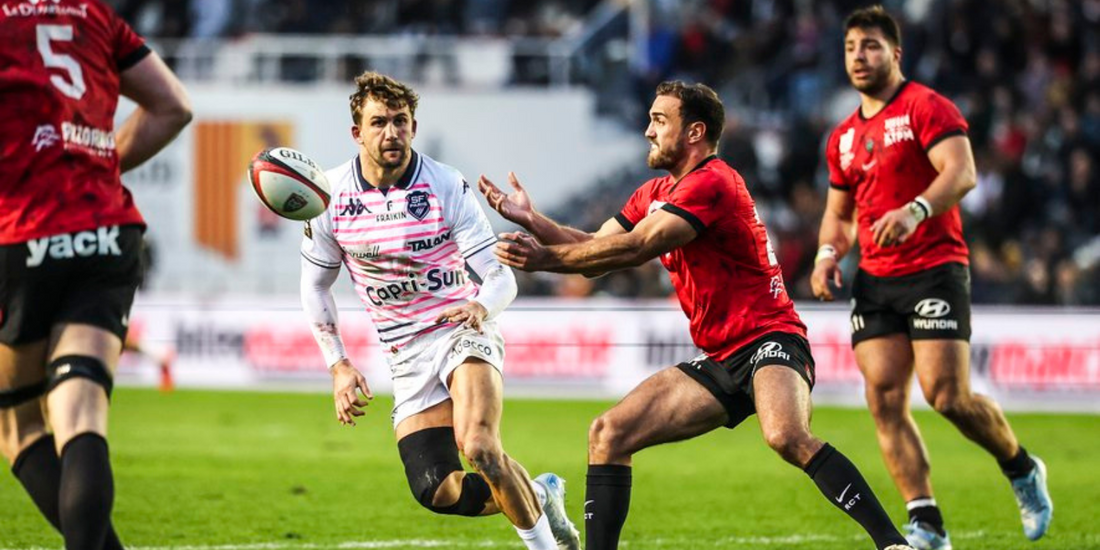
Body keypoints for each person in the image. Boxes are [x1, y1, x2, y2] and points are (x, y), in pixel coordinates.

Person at [480, 80, 915, 550]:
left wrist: (544, 259)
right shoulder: (654, 193)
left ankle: (893, 544)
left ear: (695, 132)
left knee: (785, 434)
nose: (648, 130)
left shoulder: (713, 182)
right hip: (722, 356)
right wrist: (533, 220)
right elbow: (594, 248)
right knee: (608, 433)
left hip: (771, 338)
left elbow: (638, 247)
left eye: (659, 120)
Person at [299, 71, 580, 550]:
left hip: (461, 329)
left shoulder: (445, 184)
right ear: (357, 132)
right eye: (379, 123)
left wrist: (479, 305)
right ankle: (539, 493)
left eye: (401, 121)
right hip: (404, 354)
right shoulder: (328, 196)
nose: (392, 133)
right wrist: (339, 365)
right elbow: (316, 287)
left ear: (413, 125)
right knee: (438, 490)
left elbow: (500, 276)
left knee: (480, 447)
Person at [811, 6, 1053, 549]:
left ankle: (1020, 467)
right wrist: (829, 252)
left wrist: (916, 210)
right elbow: (839, 212)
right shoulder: (844, 137)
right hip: (875, 278)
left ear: (896, 53)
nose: (859, 56)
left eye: (870, 45)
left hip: (935, 268)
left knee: (946, 396)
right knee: (884, 399)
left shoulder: (926, 106)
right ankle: (927, 523)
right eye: (851, 47)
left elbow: (962, 171)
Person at [0, 0, 192, 547]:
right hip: (107, 228)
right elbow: (173, 107)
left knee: (19, 425)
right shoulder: (93, 14)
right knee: (80, 412)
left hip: (22, 231)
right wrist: (99, 164)